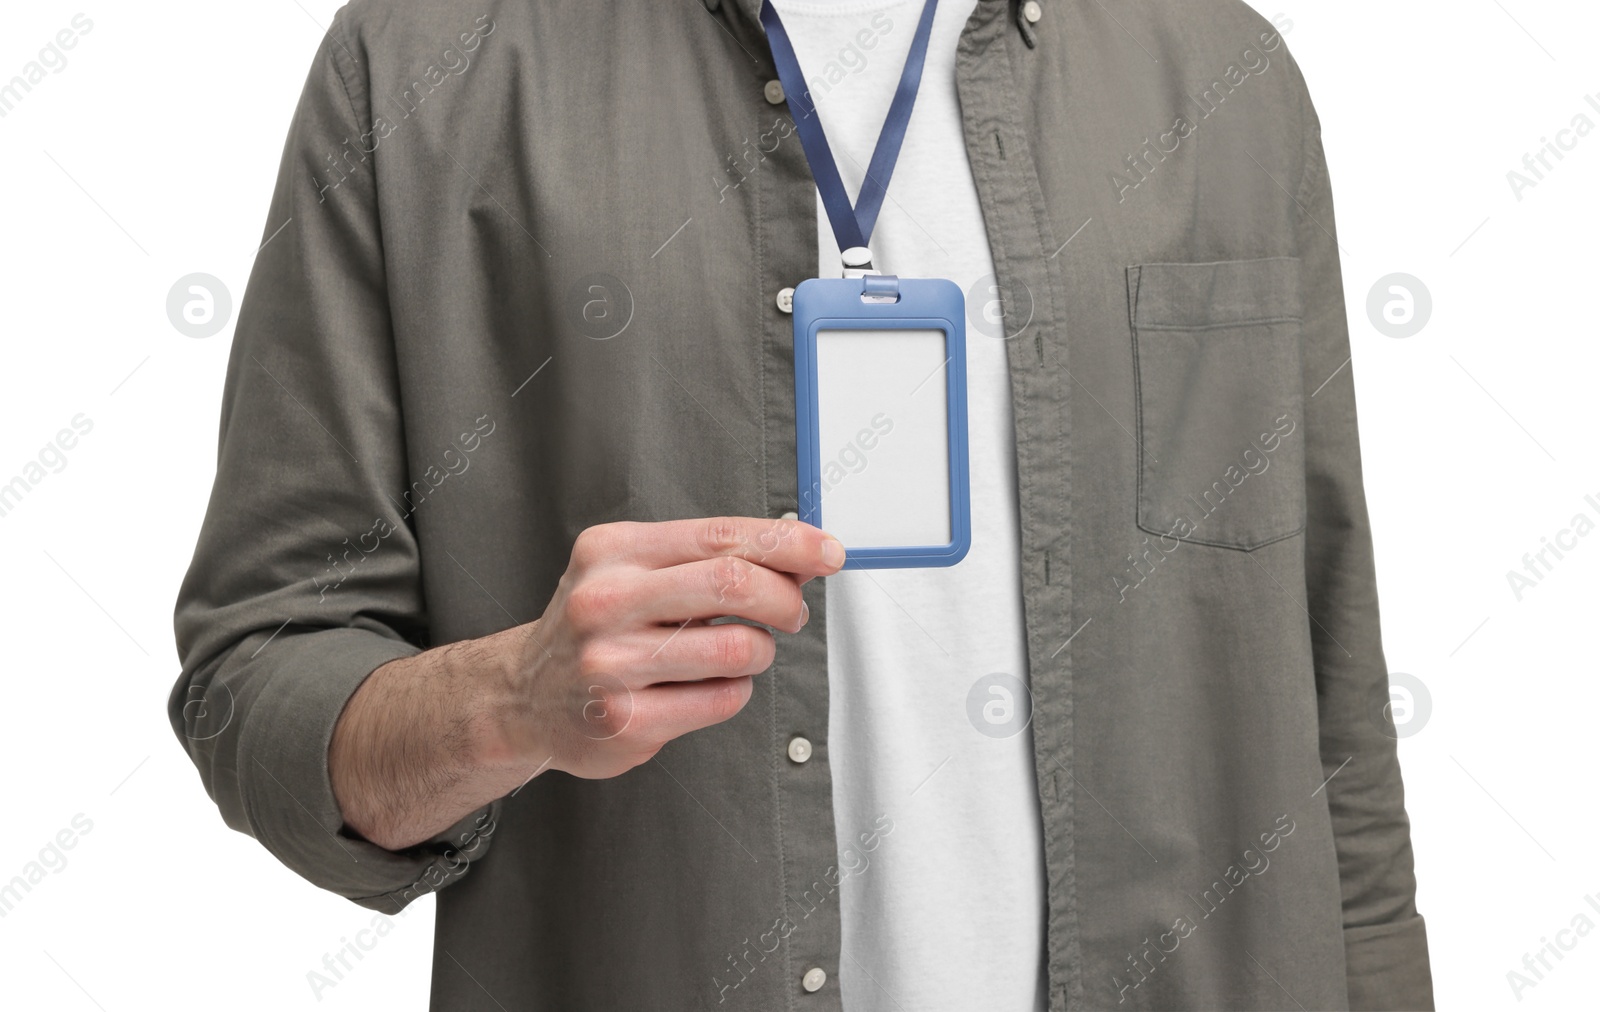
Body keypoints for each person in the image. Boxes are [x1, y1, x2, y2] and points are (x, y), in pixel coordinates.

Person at [169, 0, 1434, 1009]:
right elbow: (254, 676)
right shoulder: (420, 65)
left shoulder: (1222, 72)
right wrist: (511, 699)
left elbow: (1321, 663)